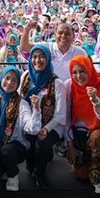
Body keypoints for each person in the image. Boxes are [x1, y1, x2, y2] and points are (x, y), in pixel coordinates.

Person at [65, 56, 100, 196]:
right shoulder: (70, 86)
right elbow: (65, 118)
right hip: (79, 134)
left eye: (82, 71)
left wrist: (96, 102)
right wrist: (70, 146)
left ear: (90, 69)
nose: (78, 76)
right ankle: (89, 162)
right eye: (74, 72)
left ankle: (98, 179)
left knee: (97, 138)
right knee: (81, 175)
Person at [0, 66, 41, 192]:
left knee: (6, 152)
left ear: (18, 83)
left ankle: (13, 174)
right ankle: (3, 166)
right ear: (1, 78)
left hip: (15, 147)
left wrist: (36, 109)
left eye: (14, 81)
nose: (9, 83)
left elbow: (33, 129)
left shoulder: (21, 103)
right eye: (7, 78)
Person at [19, 45, 66, 189]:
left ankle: (41, 174)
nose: (37, 60)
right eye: (34, 56)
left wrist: (46, 128)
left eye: (41, 57)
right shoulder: (26, 76)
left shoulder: (56, 83)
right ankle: (36, 162)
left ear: (48, 59)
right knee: (30, 160)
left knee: (42, 145)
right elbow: (21, 101)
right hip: (31, 122)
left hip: (52, 124)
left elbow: (60, 113)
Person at [21, 21, 87, 81]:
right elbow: (25, 47)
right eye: (60, 33)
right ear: (55, 35)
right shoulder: (46, 47)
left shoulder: (80, 53)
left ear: (73, 36)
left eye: (67, 34)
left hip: (72, 90)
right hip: (50, 90)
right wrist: (27, 29)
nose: (63, 36)